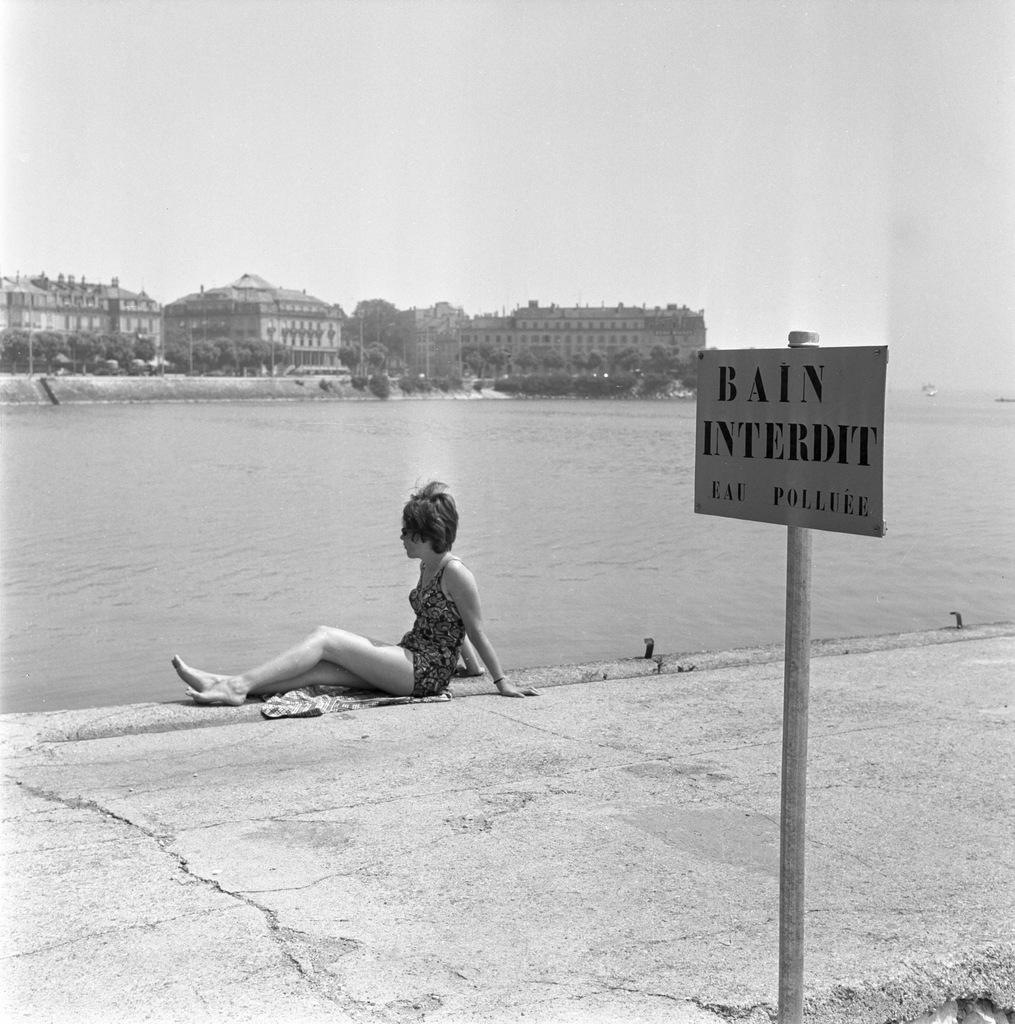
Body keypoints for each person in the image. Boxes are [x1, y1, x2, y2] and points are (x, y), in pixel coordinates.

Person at [172, 481, 539, 705]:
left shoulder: (455, 572)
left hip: (423, 673)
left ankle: (236, 686)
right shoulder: (428, 566)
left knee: (325, 637)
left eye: (407, 532)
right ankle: (224, 683)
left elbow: (474, 629)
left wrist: (501, 682)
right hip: (412, 659)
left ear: (426, 535)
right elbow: (451, 623)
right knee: (319, 671)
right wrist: (471, 668)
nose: (401, 537)